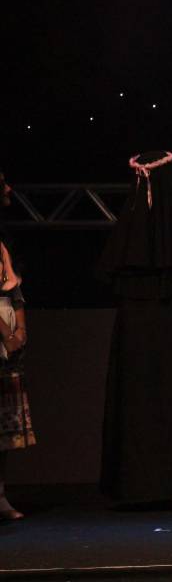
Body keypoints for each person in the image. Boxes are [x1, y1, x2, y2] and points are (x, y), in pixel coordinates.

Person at [97, 151, 172, 505]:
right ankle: (169, 483)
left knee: (136, 403)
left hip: (136, 327)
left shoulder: (128, 231)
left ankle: (136, 483)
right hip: (169, 325)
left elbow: (110, 274)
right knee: (166, 401)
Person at [0, 168, 34, 521]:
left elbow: (16, 289)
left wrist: (20, 329)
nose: (8, 188)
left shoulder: (4, 237)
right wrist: (6, 334)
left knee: (4, 421)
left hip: (9, 320)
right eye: (2, 184)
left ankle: (0, 494)